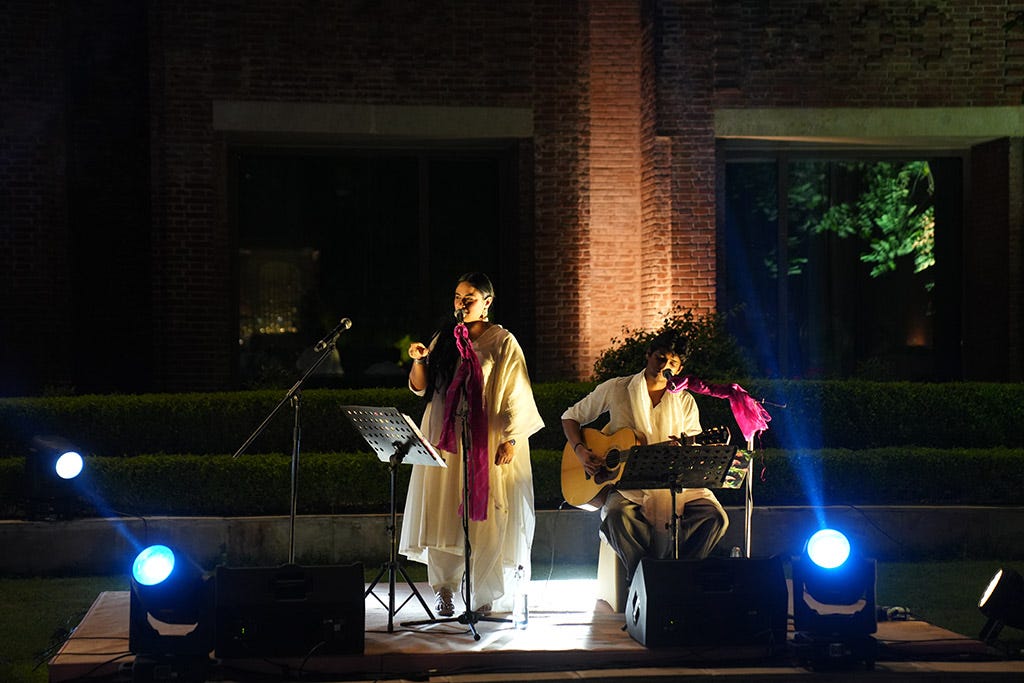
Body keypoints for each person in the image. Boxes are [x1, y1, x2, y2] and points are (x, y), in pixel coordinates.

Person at [399, 272, 545, 617]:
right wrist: (419, 359)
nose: (461, 304)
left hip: (485, 440)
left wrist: (511, 438)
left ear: (487, 302)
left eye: (470, 298)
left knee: (486, 515)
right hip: (445, 438)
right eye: (457, 297)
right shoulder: (446, 338)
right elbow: (421, 387)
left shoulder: (503, 341)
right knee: (443, 510)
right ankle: (444, 589)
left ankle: (482, 595)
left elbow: (517, 393)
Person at [560, 331, 728, 585]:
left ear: (679, 369)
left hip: (673, 484)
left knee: (715, 517)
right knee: (617, 515)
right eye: (660, 358)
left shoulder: (685, 401)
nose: (664, 366)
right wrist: (581, 450)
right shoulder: (617, 388)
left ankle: (683, 577)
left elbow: (693, 450)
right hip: (628, 486)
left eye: (672, 363)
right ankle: (643, 580)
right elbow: (570, 417)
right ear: (648, 354)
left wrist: (684, 450)